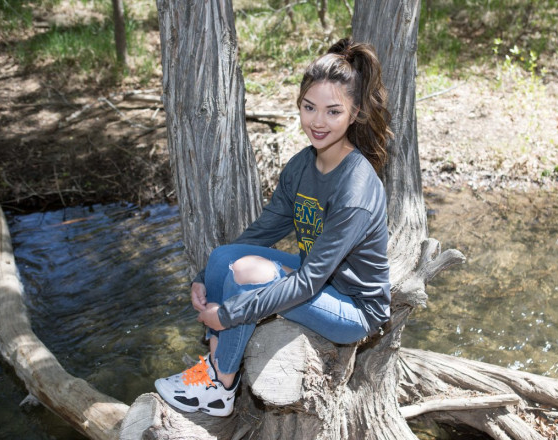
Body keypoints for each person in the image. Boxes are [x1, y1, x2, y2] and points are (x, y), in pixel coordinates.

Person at [155, 37, 393, 417]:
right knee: (222, 259)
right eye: (309, 107)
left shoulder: (356, 188)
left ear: (355, 113)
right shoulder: (302, 166)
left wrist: (230, 314)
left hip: (354, 309)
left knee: (250, 274)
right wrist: (203, 276)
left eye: (333, 111)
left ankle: (220, 384)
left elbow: (310, 281)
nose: (317, 121)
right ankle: (217, 358)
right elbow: (263, 231)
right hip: (320, 281)